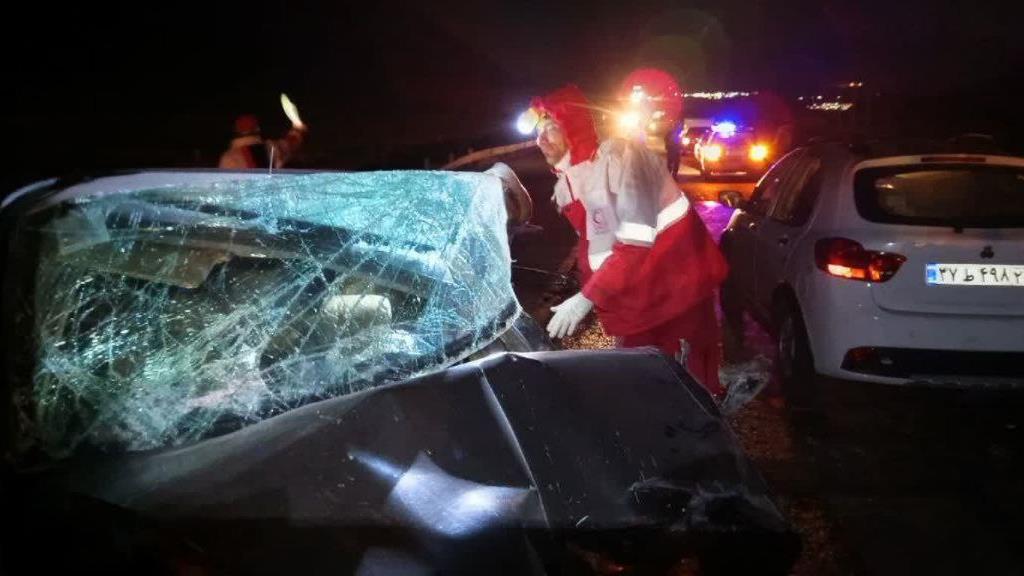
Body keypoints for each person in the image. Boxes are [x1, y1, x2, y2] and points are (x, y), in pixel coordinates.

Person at [529, 84, 728, 396]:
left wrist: (586, 298)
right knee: (649, 386)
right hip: (642, 298)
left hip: (676, 291)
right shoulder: (574, 180)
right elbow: (598, 245)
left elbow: (633, 244)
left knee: (688, 390)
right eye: (538, 131)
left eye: (551, 127)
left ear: (573, 127)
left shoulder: (622, 161)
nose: (541, 139)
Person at [219, 113, 307, 169]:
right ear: (257, 129)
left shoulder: (227, 157)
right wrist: (298, 129)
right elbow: (291, 143)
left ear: (236, 130)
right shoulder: (270, 148)